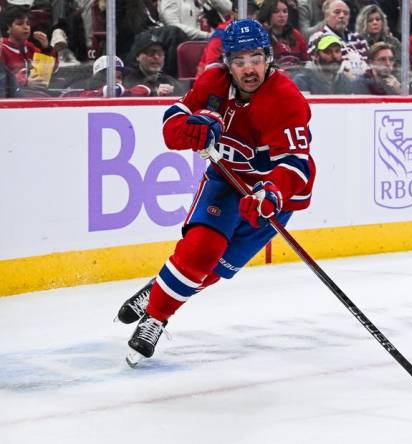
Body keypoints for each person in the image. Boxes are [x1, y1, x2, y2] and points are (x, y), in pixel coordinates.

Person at [116, 18, 315, 367]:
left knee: (213, 270)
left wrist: (271, 193)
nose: (248, 68)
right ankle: (155, 319)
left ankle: (157, 290)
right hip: (226, 179)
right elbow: (172, 122)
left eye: (255, 58)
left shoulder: (286, 100)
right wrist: (187, 130)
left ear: (268, 58)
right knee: (200, 251)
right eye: (239, 61)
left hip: (272, 198)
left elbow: (297, 166)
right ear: (228, 63)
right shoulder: (213, 82)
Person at [124, 30, 186, 96]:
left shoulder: (169, 81)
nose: (156, 57)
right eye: (150, 52)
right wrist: (156, 94)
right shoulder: (128, 80)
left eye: (160, 53)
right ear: (138, 56)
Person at [258, 0, 309, 69]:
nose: (282, 15)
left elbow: (306, 61)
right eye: (276, 12)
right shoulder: (260, 35)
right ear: (267, 13)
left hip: (296, 74)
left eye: (285, 11)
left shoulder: (296, 35)